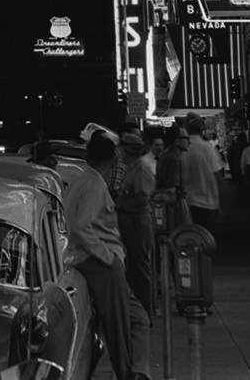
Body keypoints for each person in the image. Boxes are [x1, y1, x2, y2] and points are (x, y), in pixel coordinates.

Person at [65, 130, 151, 380]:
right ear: (113, 160)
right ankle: (129, 374)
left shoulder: (84, 180)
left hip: (102, 260)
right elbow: (82, 225)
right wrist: (106, 256)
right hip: (101, 262)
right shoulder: (93, 184)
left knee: (137, 319)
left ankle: (138, 371)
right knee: (118, 328)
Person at [109, 132, 157, 317]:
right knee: (132, 268)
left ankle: (146, 312)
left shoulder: (141, 169)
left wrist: (119, 205)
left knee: (140, 268)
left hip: (137, 221)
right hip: (129, 220)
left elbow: (143, 199)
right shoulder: (131, 167)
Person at [181, 116, 222, 228]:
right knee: (205, 237)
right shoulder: (208, 148)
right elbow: (217, 174)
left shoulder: (181, 148)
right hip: (206, 201)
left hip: (186, 200)